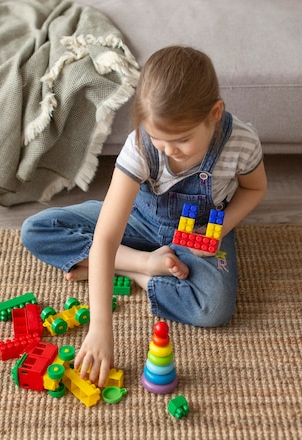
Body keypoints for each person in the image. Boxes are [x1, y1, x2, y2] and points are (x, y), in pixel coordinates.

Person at [21, 46, 267, 387]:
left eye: (182, 140)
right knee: (37, 229)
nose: (169, 151)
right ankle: (143, 265)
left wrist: (221, 227)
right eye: (158, 139)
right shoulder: (140, 147)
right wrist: (100, 327)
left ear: (215, 113)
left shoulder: (241, 141)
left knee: (214, 307)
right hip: (140, 220)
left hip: (199, 232)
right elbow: (107, 236)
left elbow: (255, 189)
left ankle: (130, 273)